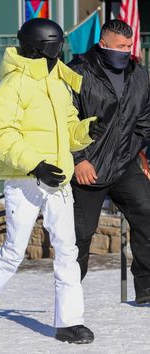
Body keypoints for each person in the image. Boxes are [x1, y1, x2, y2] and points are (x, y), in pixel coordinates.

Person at [0, 18, 104, 344]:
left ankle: (69, 322)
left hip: (58, 179)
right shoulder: (13, 86)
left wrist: (86, 130)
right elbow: (0, 134)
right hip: (25, 179)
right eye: (55, 46)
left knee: (67, 250)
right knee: (15, 249)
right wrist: (35, 165)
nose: (60, 52)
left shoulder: (58, 82)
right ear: (39, 47)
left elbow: (69, 130)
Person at [67, 19, 150, 305]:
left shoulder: (139, 75)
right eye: (120, 47)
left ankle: (147, 288)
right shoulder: (76, 73)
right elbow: (63, 122)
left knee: (147, 214)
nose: (126, 51)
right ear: (103, 45)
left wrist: (136, 150)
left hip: (124, 164)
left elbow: (145, 119)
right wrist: (78, 160)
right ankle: (69, 296)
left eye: (129, 46)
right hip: (87, 169)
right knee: (79, 235)